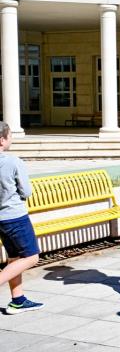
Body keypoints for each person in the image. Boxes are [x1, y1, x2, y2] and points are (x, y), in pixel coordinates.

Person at [0, 121, 43, 314]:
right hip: (15, 216)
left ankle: (18, 300)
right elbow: (26, 191)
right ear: (2, 140)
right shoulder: (13, 162)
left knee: (14, 258)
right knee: (31, 257)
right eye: (10, 136)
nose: (11, 139)